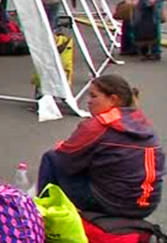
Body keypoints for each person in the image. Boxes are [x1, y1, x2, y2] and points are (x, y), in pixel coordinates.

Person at [38, 75, 163, 219]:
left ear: (113, 99)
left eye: (93, 96)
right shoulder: (141, 122)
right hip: (147, 204)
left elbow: (66, 161)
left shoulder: (98, 125)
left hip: (113, 203)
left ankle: (44, 217)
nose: (89, 102)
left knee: (51, 158)